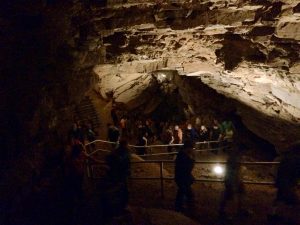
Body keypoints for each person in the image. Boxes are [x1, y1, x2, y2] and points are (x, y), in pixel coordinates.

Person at [269, 142, 300, 220]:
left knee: (280, 198)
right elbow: (296, 172)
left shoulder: (286, 157)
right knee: (292, 200)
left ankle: (273, 214)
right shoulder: (296, 159)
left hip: (281, 181)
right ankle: (287, 217)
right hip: (288, 182)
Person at [219, 145, 245, 220]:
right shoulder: (234, 158)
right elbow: (233, 171)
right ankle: (224, 212)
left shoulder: (236, 157)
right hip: (231, 180)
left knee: (239, 194)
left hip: (235, 179)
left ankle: (238, 209)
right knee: (229, 196)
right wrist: (234, 182)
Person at [175, 140, 196, 212]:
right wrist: (192, 160)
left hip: (182, 178)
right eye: (192, 148)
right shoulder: (183, 156)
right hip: (182, 178)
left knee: (181, 193)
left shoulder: (182, 154)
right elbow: (187, 169)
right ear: (188, 148)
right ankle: (189, 210)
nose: (193, 150)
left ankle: (179, 207)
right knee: (189, 194)